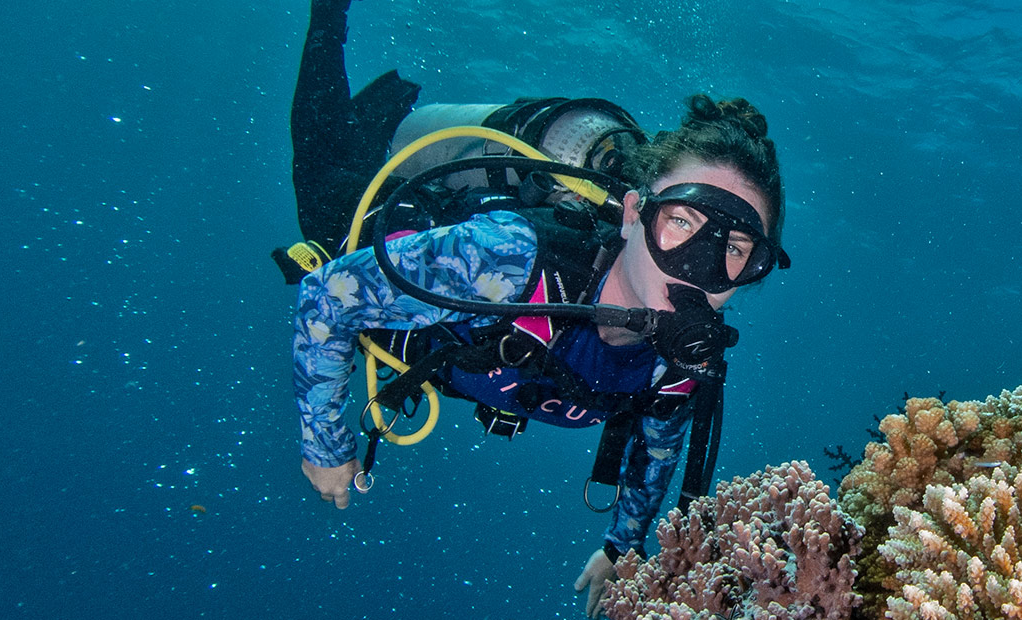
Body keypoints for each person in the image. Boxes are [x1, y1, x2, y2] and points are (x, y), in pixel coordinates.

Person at [280, 1, 789, 616]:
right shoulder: (510, 260)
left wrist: (621, 547)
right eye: (681, 222)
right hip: (369, 224)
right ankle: (328, 16)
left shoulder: (679, 365)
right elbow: (325, 296)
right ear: (633, 215)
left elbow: (656, 452)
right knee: (320, 147)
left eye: (734, 249)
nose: (697, 269)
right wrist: (325, 446)